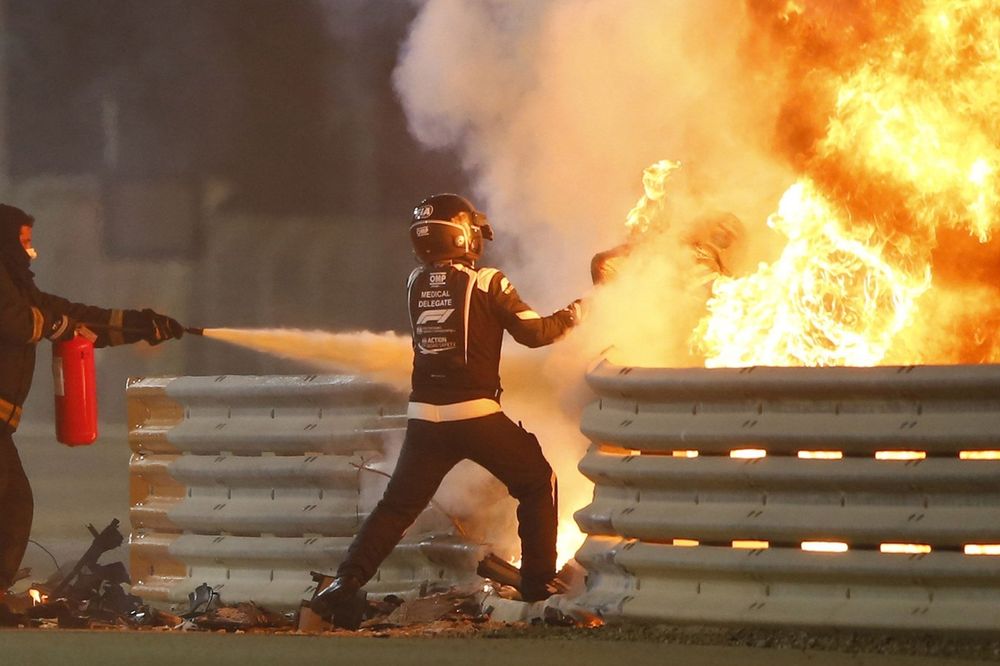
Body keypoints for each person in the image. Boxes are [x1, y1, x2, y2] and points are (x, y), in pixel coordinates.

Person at [311, 193, 582, 617]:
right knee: (536, 481)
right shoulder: (488, 281)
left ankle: (344, 583)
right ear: (463, 236)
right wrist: (576, 313)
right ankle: (537, 585)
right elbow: (536, 334)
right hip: (474, 413)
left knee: (396, 507)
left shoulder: (415, 282)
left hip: (424, 418)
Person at [0, 203, 185, 594]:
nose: (31, 252)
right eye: (25, 242)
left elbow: (70, 317)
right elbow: (17, 320)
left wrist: (139, 325)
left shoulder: (17, 286)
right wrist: (57, 326)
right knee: (12, 506)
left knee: (13, 505)